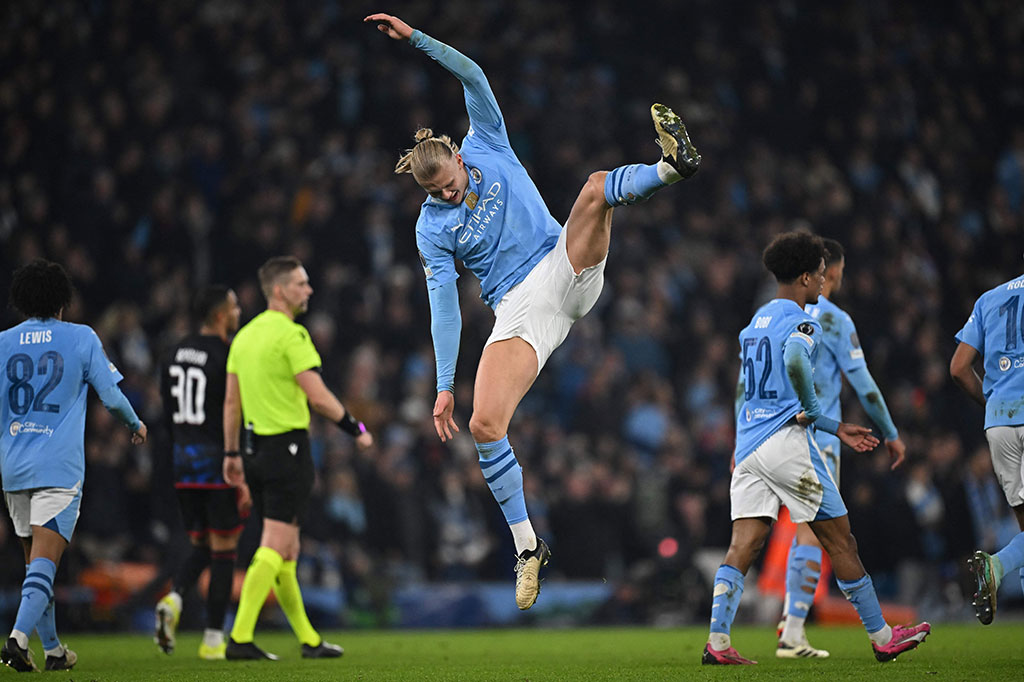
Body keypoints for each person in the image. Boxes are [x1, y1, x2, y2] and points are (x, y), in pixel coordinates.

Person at [365, 12, 700, 610]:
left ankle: (672, 167)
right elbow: (443, 307)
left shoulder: (486, 143)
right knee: (483, 425)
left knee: (597, 186)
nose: (448, 194)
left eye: (449, 182)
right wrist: (444, 385)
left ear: (459, 159)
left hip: (561, 263)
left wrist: (415, 40)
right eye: (435, 193)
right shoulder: (430, 229)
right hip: (521, 311)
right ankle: (527, 547)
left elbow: (471, 73)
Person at [703, 232, 930, 665]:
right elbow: (793, 359)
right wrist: (816, 411)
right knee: (840, 540)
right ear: (805, 277)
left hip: (749, 447)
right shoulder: (804, 322)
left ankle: (718, 641)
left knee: (744, 544)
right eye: (822, 276)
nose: (825, 284)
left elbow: (742, 389)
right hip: (789, 446)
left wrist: (742, 438)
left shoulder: (755, 324)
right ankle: (882, 636)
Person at [221, 256, 373, 660]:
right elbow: (318, 396)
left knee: (287, 549)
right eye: (301, 284)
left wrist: (232, 452)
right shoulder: (292, 336)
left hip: (254, 450)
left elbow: (232, 402)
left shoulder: (245, 336)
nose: (308, 290)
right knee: (275, 544)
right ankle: (238, 637)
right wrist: (355, 428)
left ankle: (308, 639)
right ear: (279, 290)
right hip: (287, 450)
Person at [0, 259, 147, 672]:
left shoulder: (3, 343)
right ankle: (16, 639)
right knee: (44, 565)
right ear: (64, 301)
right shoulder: (80, 337)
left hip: (13, 467)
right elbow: (113, 397)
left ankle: (53, 651)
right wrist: (135, 424)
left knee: (37, 567)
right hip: (58, 468)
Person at [772, 238, 907, 658]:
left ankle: (745, 629)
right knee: (820, 535)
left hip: (771, 435)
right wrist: (890, 431)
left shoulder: (774, 315)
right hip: (819, 439)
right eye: (838, 275)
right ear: (829, 272)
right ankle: (795, 626)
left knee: (765, 531)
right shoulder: (834, 320)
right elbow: (864, 387)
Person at [154, 286, 246, 660]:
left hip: (182, 461)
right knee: (225, 548)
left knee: (201, 545)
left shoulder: (173, 352)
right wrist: (236, 458)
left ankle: (174, 599)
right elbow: (232, 408)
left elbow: (165, 409)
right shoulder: (226, 354)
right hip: (217, 459)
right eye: (235, 305)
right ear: (221, 315)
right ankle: (212, 639)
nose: (239, 310)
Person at [951, 268, 1024, 625]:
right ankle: (997, 565)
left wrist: (993, 404)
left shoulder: (988, 299)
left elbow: (958, 367)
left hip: (998, 425)